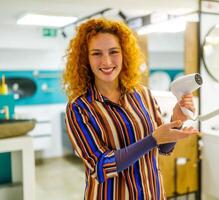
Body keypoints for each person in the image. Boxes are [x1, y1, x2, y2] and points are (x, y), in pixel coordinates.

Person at [62, 18, 199, 200]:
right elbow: (100, 167)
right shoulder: (79, 108)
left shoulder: (142, 94)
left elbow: (163, 147)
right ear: (85, 59)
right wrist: (152, 139)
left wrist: (178, 118)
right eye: (96, 54)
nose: (107, 61)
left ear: (124, 53)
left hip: (153, 194)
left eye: (113, 52)